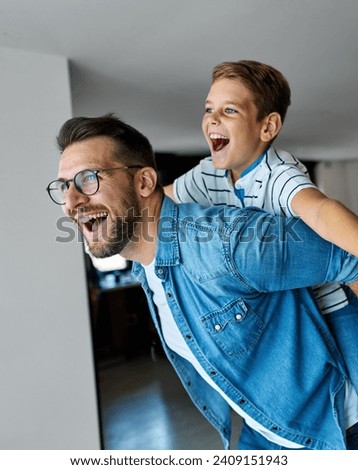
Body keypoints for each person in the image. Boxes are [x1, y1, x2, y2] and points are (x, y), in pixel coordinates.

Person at [46, 114, 358, 450]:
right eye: (65, 186)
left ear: (144, 182)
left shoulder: (226, 243)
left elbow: (348, 258)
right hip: (263, 431)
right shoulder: (146, 268)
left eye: (88, 179)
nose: (70, 202)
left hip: (334, 432)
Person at [164, 60, 358, 394]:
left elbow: (321, 210)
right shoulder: (206, 173)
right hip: (282, 317)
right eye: (209, 108)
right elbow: (157, 201)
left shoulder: (278, 170)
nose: (212, 118)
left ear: (267, 127)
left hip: (331, 307)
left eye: (229, 110)